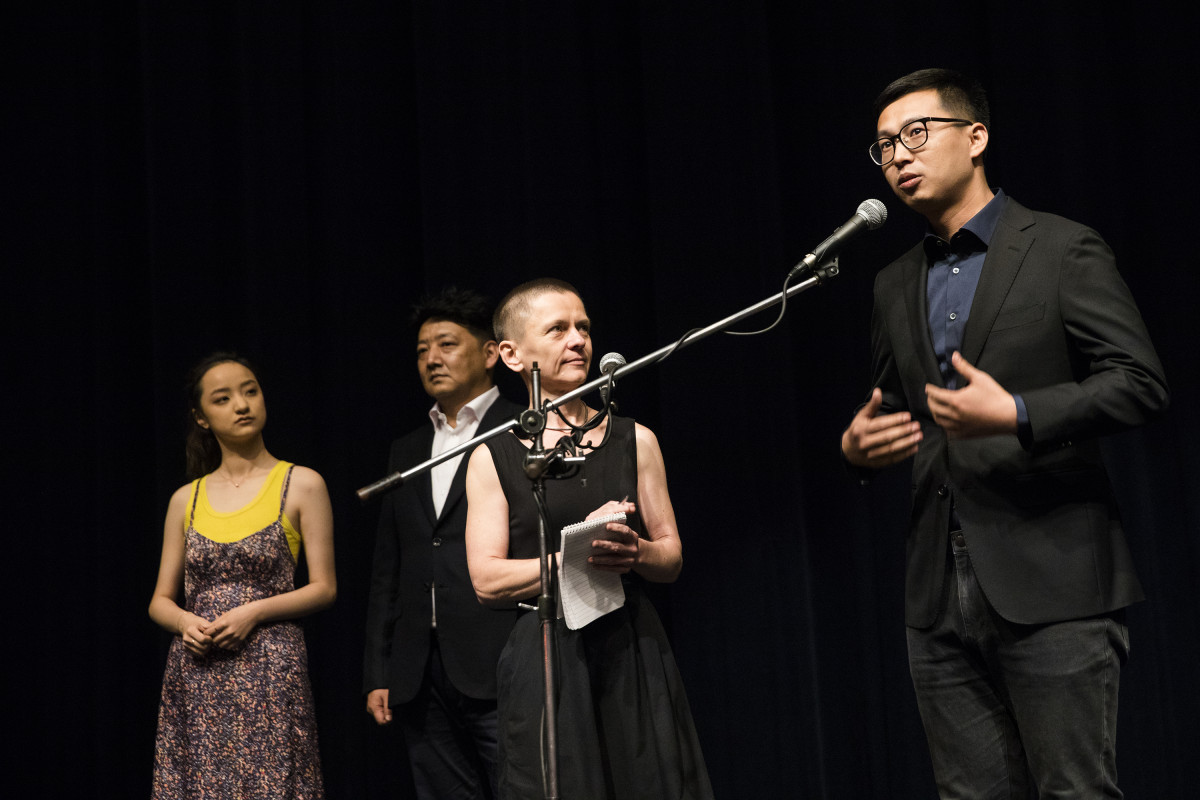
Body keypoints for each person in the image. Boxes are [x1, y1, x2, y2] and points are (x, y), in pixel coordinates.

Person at [840, 68, 1169, 797]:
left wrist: (1018, 412)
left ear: (976, 137)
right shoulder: (893, 282)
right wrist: (858, 450)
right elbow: (891, 410)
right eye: (884, 146)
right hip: (936, 589)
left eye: (916, 134)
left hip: (1053, 574)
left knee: (1074, 790)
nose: (898, 156)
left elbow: (1140, 383)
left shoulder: (1060, 248)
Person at [465, 278, 713, 800]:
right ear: (511, 354)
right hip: (546, 650)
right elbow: (486, 580)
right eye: (557, 329)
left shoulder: (634, 439)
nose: (578, 340)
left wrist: (636, 551)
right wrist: (578, 550)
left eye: (583, 327)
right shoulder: (494, 455)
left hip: (630, 646)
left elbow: (670, 556)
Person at [149, 353, 336, 799]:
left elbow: (324, 587)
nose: (241, 404)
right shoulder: (186, 499)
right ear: (201, 417)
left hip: (270, 663)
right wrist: (185, 622)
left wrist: (253, 613)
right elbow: (160, 601)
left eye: (250, 391)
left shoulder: (302, 483)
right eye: (223, 398)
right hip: (199, 666)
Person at [363, 287, 523, 798]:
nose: (432, 358)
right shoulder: (407, 448)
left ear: (490, 353)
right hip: (419, 672)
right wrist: (379, 670)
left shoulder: (524, 428)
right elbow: (389, 567)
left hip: (500, 658)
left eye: (447, 344)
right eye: (421, 350)